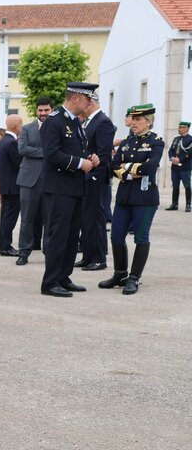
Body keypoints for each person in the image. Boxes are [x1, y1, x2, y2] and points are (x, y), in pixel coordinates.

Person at [39, 82, 101, 298]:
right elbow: (52, 154)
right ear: (75, 98)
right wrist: (80, 163)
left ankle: (63, 277)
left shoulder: (75, 123)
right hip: (59, 188)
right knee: (58, 235)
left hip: (74, 187)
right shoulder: (54, 121)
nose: (90, 103)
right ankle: (50, 282)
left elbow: (75, 151)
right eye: (87, 99)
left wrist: (90, 159)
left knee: (72, 236)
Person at [98, 104, 164, 295]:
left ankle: (134, 278)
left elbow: (150, 167)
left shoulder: (155, 141)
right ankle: (120, 274)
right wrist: (132, 170)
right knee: (116, 236)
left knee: (141, 237)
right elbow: (113, 165)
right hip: (124, 197)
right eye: (132, 119)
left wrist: (126, 168)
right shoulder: (127, 142)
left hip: (145, 198)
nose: (133, 123)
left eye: (138, 119)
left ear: (148, 121)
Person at [76, 99, 115, 272]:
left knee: (95, 219)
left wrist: (92, 175)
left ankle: (99, 258)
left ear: (90, 103)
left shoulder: (103, 121)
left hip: (95, 178)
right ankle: (87, 256)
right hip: (86, 176)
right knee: (86, 219)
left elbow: (104, 154)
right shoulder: (90, 121)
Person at [16, 99, 52, 266]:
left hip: (51, 180)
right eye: (40, 110)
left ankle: (49, 253)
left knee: (50, 219)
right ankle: (23, 252)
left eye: (46, 110)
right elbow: (22, 149)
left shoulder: (57, 128)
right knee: (27, 219)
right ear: (36, 111)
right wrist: (48, 152)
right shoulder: (27, 128)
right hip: (29, 180)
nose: (43, 113)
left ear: (52, 110)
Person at [0, 115, 23, 256]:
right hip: (13, 186)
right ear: (17, 126)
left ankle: (4, 245)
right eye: (21, 124)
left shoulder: (4, 140)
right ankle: (5, 246)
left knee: (6, 216)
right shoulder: (11, 142)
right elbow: (18, 164)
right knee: (9, 218)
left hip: (7, 184)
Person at [166, 120, 192, 211]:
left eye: (181, 128)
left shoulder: (190, 139)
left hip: (185, 167)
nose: (179, 129)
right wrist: (172, 158)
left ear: (186, 128)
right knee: (175, 185)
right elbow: (171, 150)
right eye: (179, 127)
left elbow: (190, 153)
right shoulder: (176, 139)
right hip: (175, 167)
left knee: (187, 185)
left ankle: (188, 204)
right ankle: (174, 204)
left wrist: (180, 159)